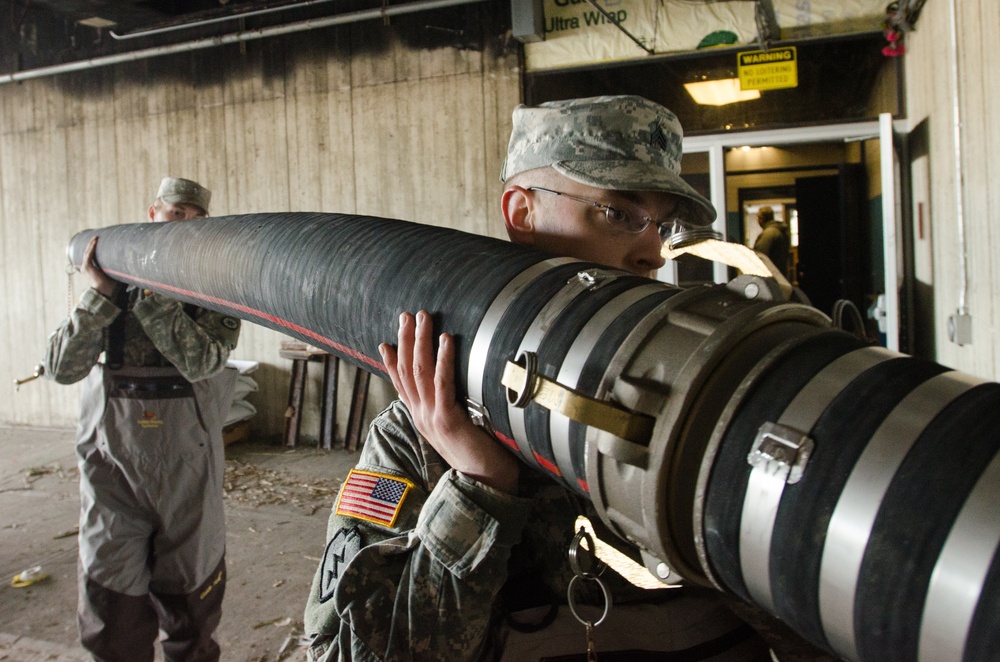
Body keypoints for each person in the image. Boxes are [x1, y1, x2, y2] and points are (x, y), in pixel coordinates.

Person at [303, 96, 788, 661]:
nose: (654, 253)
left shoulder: (705, 400)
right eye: (619, 214)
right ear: (522, 213)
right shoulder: (422, 432)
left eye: (664, 226)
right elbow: (344, 652)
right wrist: (476, 486)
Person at [43, 177, 242, 662]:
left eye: (193, 219)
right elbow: (61, 368)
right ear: (152, 214)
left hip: (186, 468)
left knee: (191, 599)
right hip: (112, 466)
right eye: (175, 213)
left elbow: (201, 362)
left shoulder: (215, 288)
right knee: (112, 603)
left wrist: (152, 295)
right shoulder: (107, 284)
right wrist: (102, 294)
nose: (181, 224)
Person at [751, 205, 791, 277]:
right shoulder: (780, 231)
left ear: (762, 219)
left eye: (758, 218)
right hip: (780, 273)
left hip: (771, 276)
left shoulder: (768, 234)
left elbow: (761, 256)